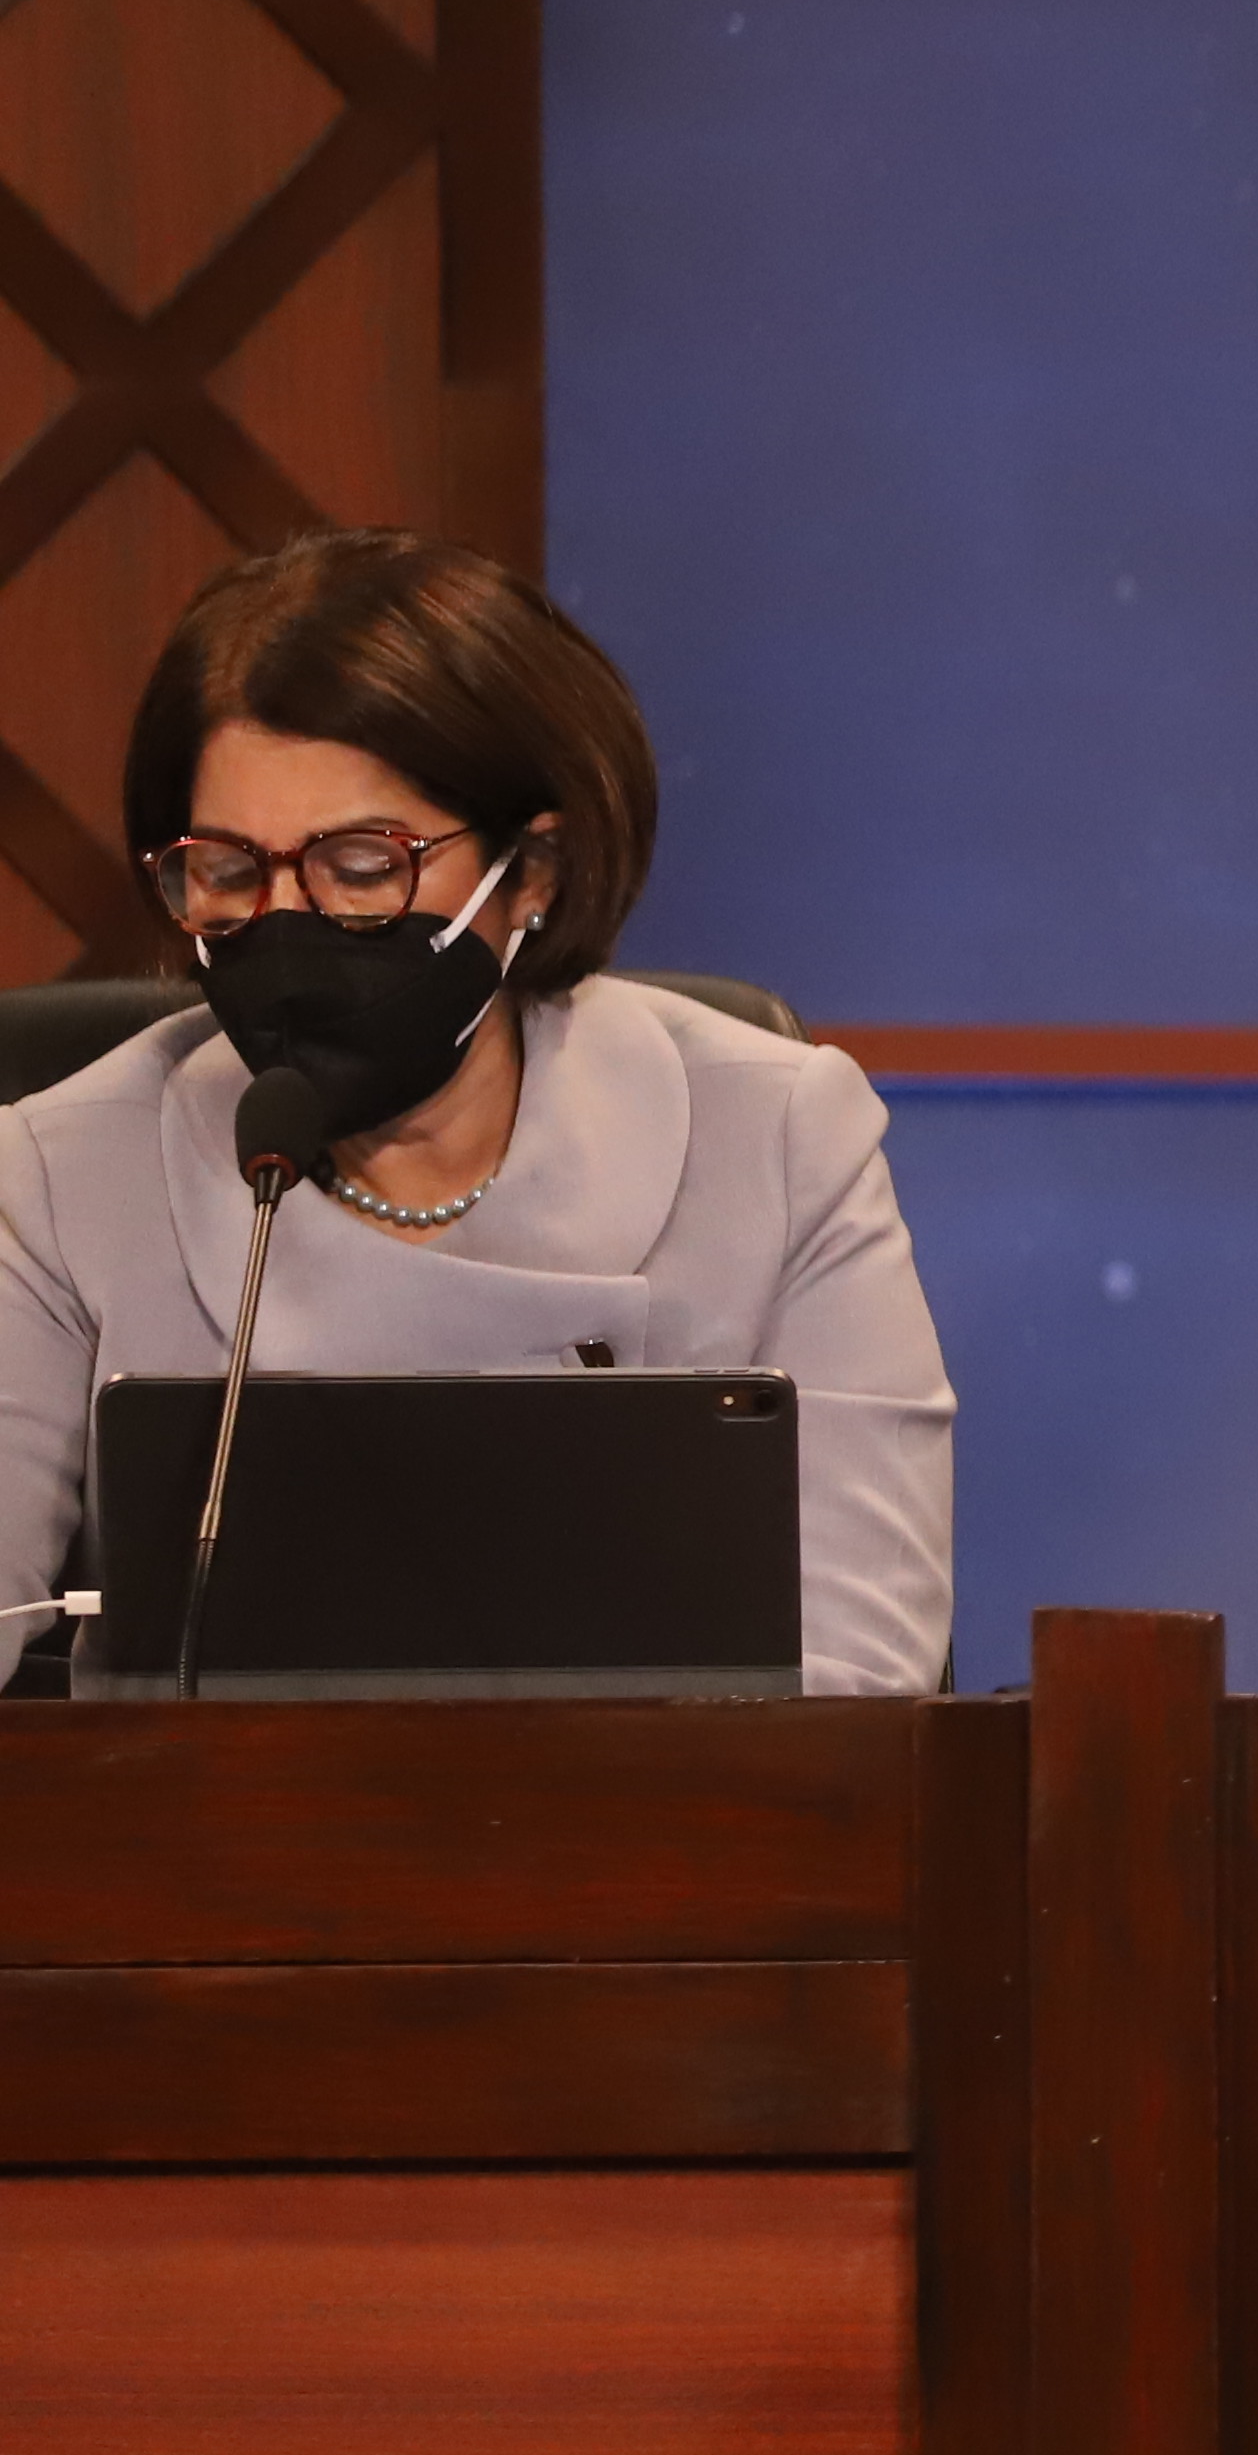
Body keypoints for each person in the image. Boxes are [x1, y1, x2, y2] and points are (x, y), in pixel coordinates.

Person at [0, 531, 953, 1694]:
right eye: (230, 871)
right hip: (205, 1814)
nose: (288, 922)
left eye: (363, 866)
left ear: (532, 871)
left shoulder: (779, 1138)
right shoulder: (61, 1170)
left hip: (676, 1810)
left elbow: (863, 1672)